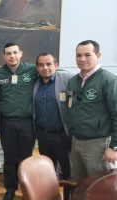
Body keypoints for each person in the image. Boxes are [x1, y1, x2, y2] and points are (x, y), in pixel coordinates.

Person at [0, 42, 36, 200]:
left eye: (15, 52)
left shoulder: (33, 70)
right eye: (8, 53)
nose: (12, 56)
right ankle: (10, 187)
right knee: (9, 156)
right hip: (6, 122)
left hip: (27, 122)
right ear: (4, 56)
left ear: (21, 53)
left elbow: (50, 72)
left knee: (26, 157)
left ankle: (25, 187)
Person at [67, 40, 117, 182]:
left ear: (98, 55)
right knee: (79, 184)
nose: (82, 59)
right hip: (76, 142)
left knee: (100, 187)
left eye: (87, 55)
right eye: (78, 55)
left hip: (98, 144)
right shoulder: (73, 81)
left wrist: (114, 147)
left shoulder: (109, 80)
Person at [33, 52, 73, 200]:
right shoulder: (36, 83)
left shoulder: (67, 78)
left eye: (49, 64)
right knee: (48, 171)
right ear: (37, 67)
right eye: (41, 65)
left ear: (56, 65)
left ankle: (69, 197)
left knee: (68, 171)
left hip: (62, 135)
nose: (45, 68)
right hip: (43, 135)